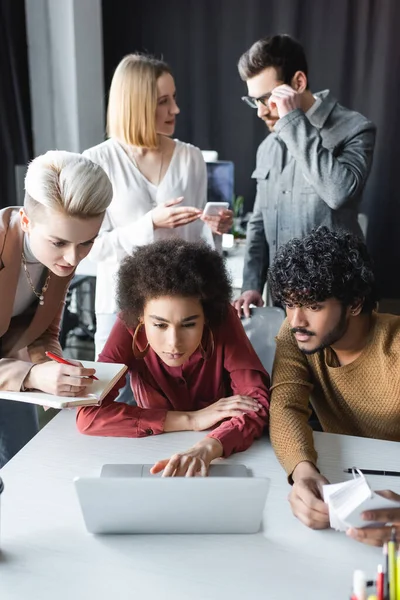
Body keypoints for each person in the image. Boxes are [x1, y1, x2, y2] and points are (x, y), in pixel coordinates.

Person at [83, 54, 233, 362]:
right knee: (114, 393)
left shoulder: (190, 158)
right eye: (163, 101)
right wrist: (149, 224)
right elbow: (90, 247)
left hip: (179, 313)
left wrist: (214, 228)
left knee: (180, 398)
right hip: (119, 308)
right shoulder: (97, 161)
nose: (175, 109)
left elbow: (197, 245)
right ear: (136, 105)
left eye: (174, 98)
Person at [76, 239, 269, 476]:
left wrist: (210, 446)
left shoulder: (223, 318)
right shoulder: (127, 323)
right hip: (148, 453)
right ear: (140, 318)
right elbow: (89, 415)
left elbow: (257, 403)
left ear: (206, 317)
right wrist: (191, 420)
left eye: (189, 324)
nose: (174, 343)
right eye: (159, 325)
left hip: (224, 455)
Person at [268, 226, 400, 547]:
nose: (296, 319)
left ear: (354, 303)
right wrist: (303, 471)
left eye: (313, 306)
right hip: (344, 483)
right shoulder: (296, 332)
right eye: (289, 303)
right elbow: (285, 404)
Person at [233, 34, 376, 318]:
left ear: (298, 83)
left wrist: (292, 122)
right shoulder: (268, 146)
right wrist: (251, 285)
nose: (261, 111)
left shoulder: (355, 128)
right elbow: (259, 223)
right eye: (254, 102)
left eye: (267, 99)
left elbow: (338, 193)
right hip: (282, 303)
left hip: (335, 305)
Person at [0, 150, 113, 467]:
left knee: (26, 467)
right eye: (59, 242)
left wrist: (58, 368)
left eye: (87, 242)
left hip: (11, 371)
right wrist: (34, 374)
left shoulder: (63, 255)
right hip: (15, 373)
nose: (74, 259)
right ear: (25, 220)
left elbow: (43, 330)